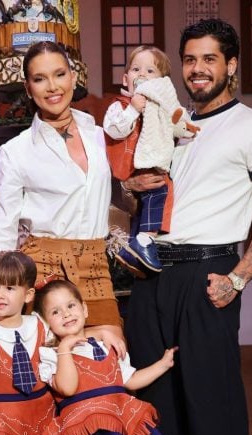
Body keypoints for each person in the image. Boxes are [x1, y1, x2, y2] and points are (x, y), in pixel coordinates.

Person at [122, 19, 252, 435]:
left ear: (231, 65)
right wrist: (131, 189)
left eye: (209, 59)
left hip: (206, 275)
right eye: (189, 59)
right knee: (152, 406)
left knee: (212, 404)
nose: (197, 68)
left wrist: (236, 280)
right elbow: (142, 201)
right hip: (149, 274)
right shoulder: (167, 123)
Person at [0, 40, 121, 331]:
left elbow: (122, 194)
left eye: (59, 74)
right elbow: (2, 224)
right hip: (42, 271)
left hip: (96, 267)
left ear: (72, 77)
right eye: (40, 79)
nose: (52, 87)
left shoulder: (102, 137)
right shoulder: (16, 151)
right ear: (28, 88)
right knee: (47, 358)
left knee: (110, 353)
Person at [0, 252, 126, 435]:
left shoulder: (39, 324)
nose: (0, 294)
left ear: (28, 295)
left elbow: (67, 332)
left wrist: (100, 333)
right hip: (0, 424)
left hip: (42, 421)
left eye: (9, 288)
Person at [33, 279, 180, 435]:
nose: (66, 314)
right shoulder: (52, 355)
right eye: (55, 312)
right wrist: (64, 348)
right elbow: (68, 388)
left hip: (118, 426)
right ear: (46, 322)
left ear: (84, 309)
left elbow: (130, 380)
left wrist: (163, 364)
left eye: (71, 305)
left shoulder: (106, 346)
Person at [103, 45, 198, 276]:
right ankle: (142, 241)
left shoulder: (160, 110)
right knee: (144, 201)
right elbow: (114, 129)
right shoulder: (119, 106)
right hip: (125, 169)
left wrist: (185, 125)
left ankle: (142, 242)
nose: (142, 75)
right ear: (125, 79)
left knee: (160, 192)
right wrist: (133, 109)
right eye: (136, 70)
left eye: (150, 71)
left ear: (161, 83)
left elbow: (177, 126)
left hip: (151, 166)